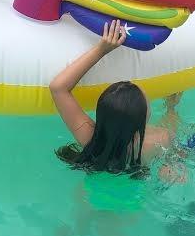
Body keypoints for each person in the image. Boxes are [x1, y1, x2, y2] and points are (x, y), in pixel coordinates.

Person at [49, 19, 180, 177]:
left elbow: (58, 88)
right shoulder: (159, 139)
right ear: (144, 117)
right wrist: (171, 107)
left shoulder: (89, 137)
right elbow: (174, 140)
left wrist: (101, 49)